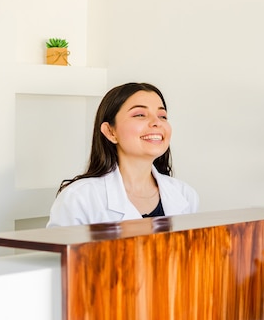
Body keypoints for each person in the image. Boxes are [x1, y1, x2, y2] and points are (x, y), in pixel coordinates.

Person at [47, 82, 199, 227]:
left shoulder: (185, 194)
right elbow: (62, 254)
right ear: (110, 132)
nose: (156, 122)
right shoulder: (79, 198)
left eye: (162, 116)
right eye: (140, 115)